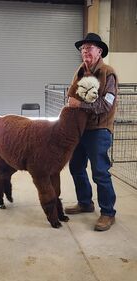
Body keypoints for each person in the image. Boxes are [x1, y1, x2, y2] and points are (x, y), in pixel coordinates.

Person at [65, 33, 118, 231]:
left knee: (100, 173)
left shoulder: (108, 73)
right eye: (82, 48)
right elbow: (71, 97)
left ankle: (108, 213)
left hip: (99, 130)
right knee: (76, 167)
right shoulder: (79, 71)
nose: (85, 51)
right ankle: (85, 203)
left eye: (90, 47)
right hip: (79, 129)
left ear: (100, 51)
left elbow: (106, 105)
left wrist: (81, 104)